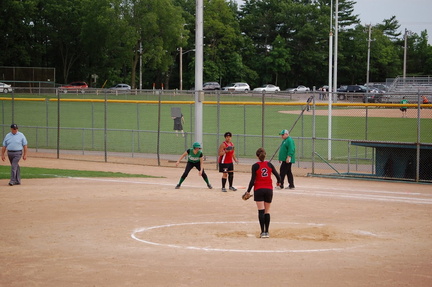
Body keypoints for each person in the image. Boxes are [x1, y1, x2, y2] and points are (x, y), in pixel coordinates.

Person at [244, 147, 281, 238]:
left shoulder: (255, 166)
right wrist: (279, 182)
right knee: (267, 211)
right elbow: (278, 176)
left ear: (257, 156)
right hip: (268, 190)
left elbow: (253, 180)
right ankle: (267, 232)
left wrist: (248, 191)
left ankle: (262, 232)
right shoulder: (269, 164)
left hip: (259, 190)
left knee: (261, 211)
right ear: (265, 155)